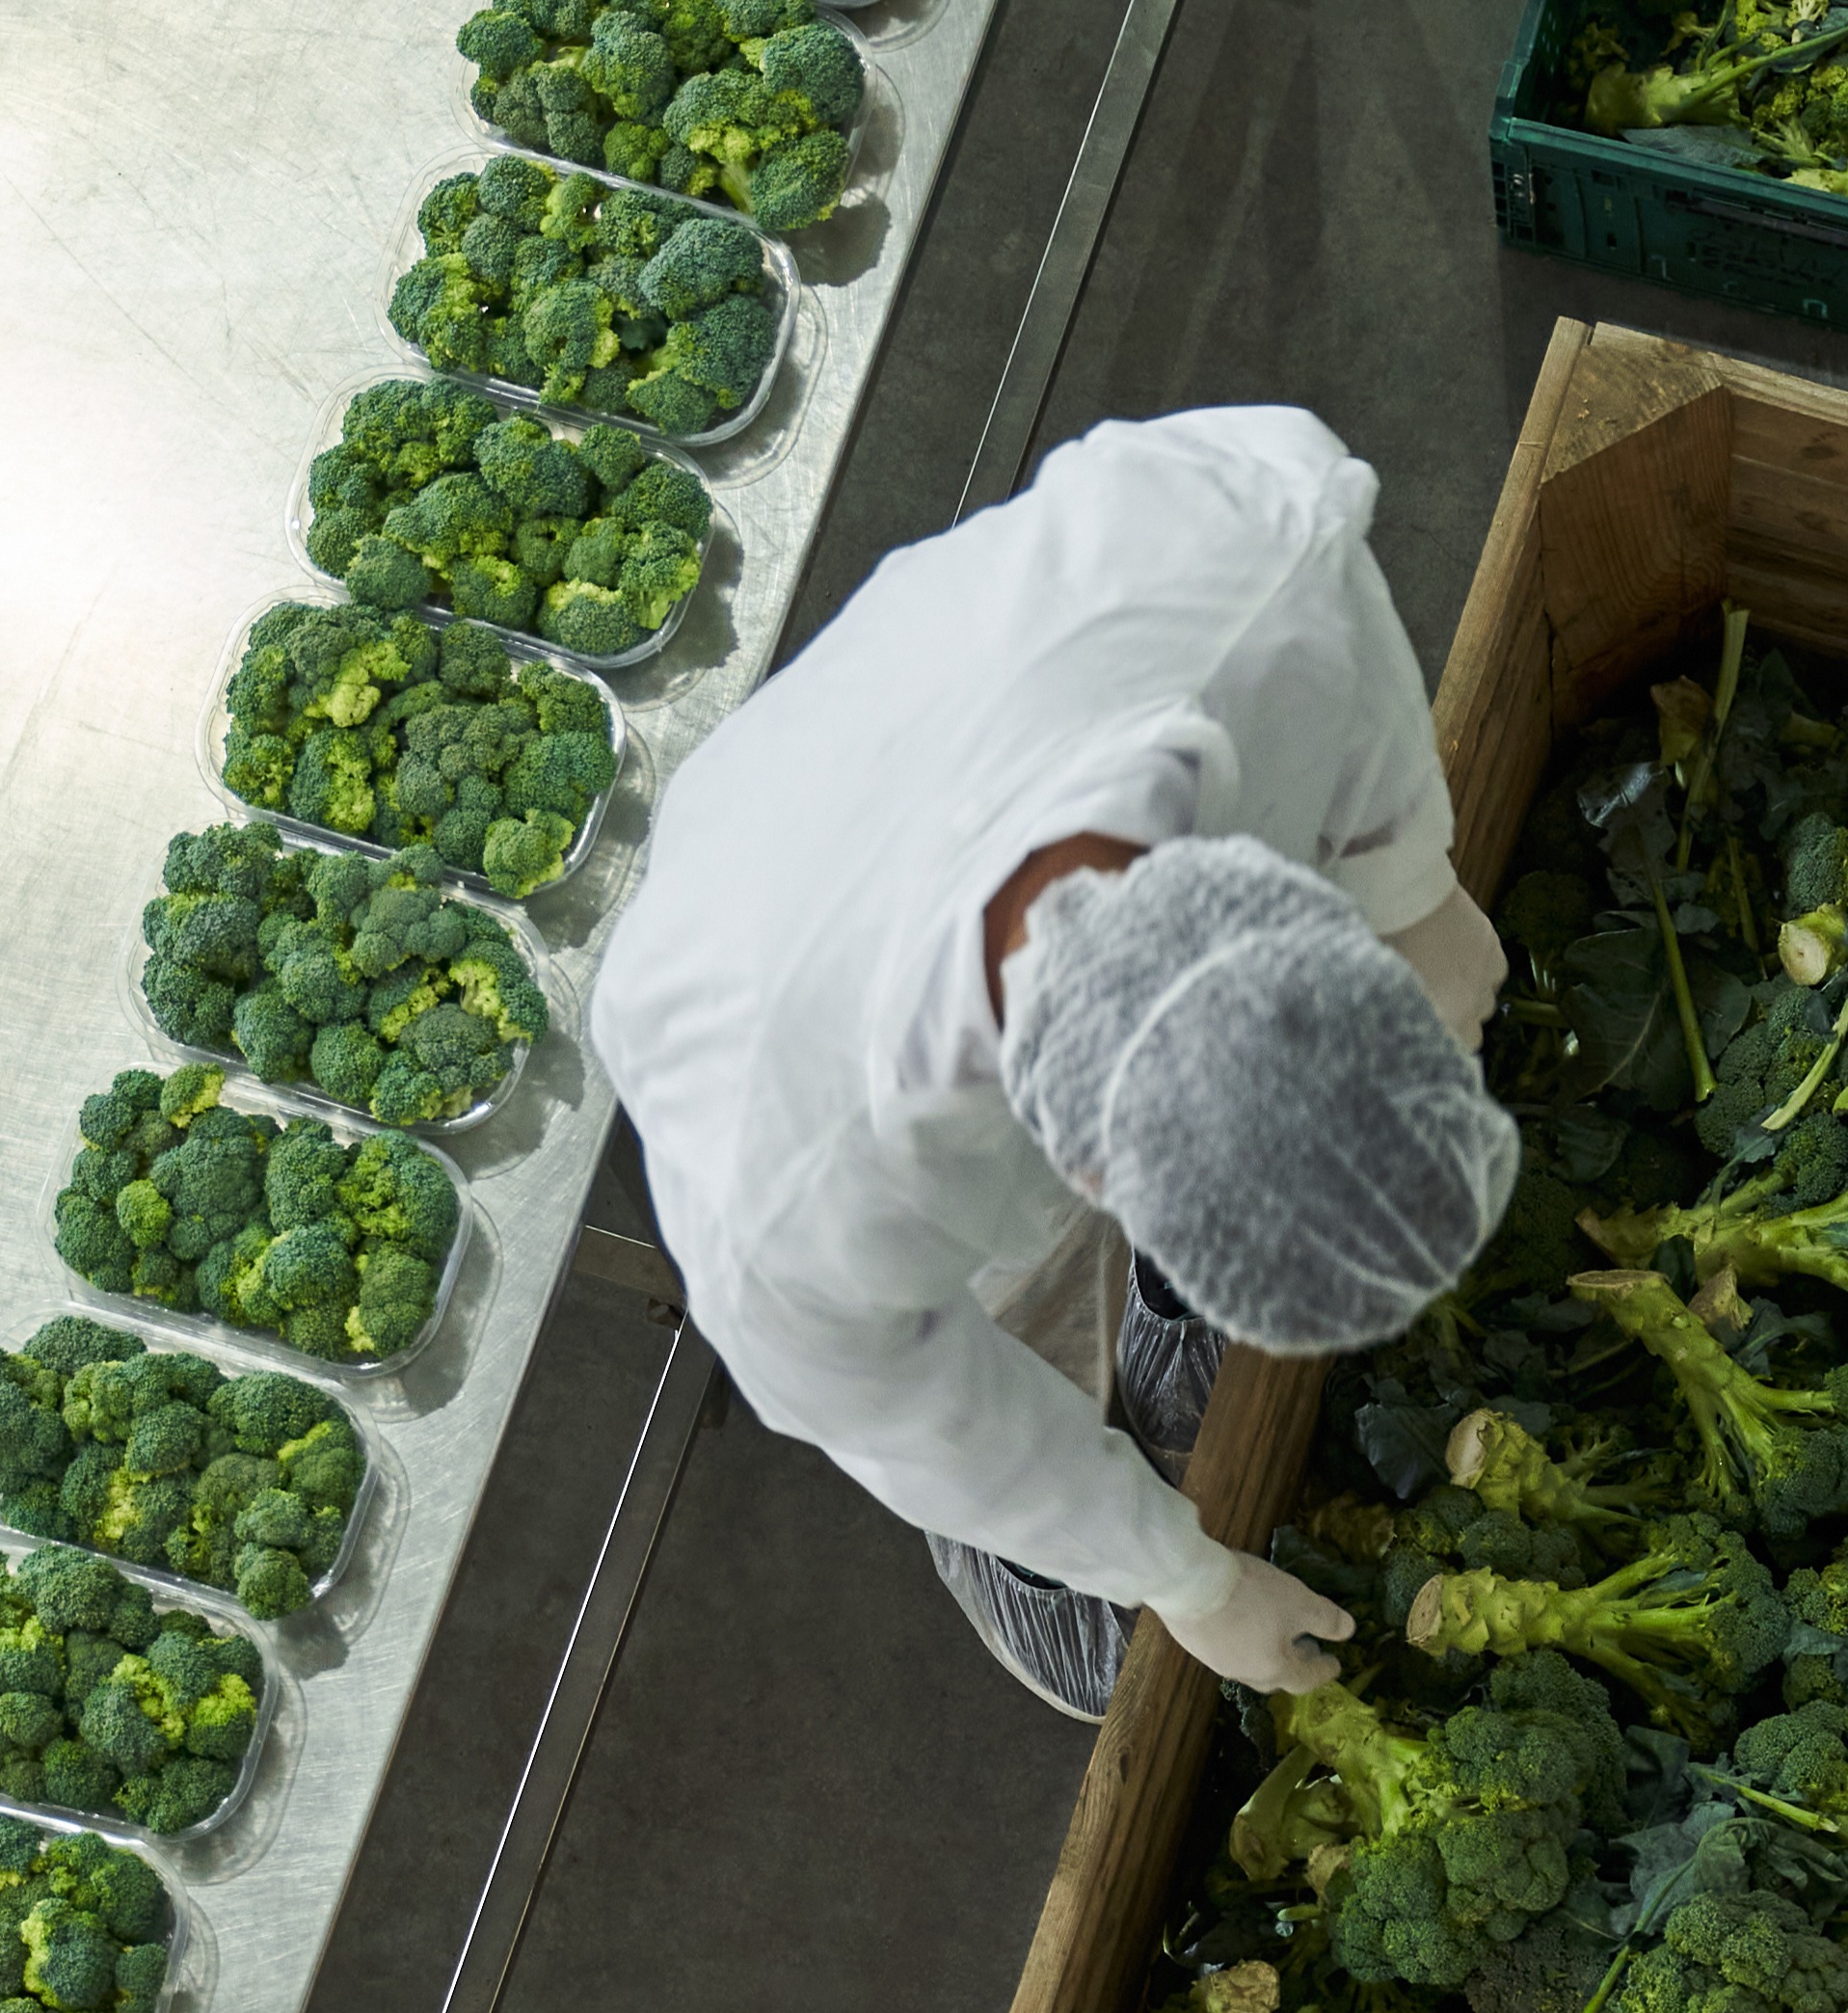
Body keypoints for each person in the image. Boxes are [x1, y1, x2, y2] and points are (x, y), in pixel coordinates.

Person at [590, 407, 1519, 1720]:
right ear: (1091, 1170)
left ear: (1271, 900)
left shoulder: (1240, 553)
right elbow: (926, 1419)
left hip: (951, 727)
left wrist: (1410, 886)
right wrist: (1182, 1577)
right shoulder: (795, 1207)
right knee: (1054, 1463)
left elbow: (1325, 576)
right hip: (753, 936)